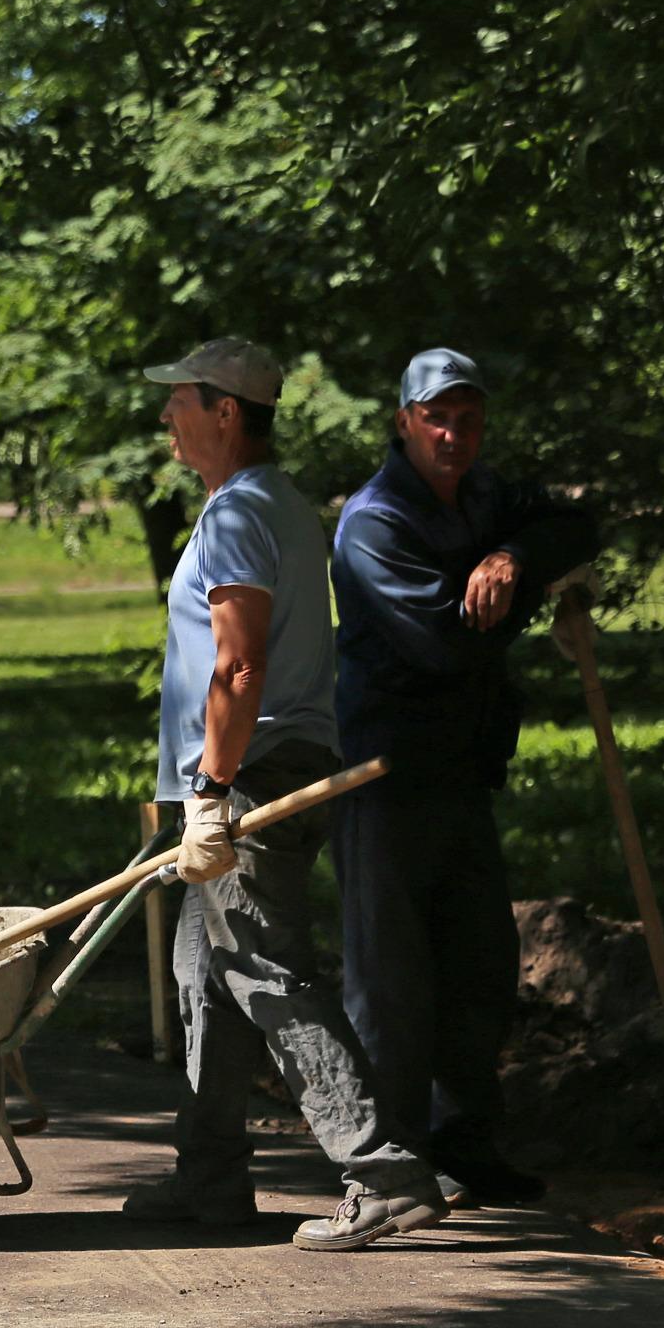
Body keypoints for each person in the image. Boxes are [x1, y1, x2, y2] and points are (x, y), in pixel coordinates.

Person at [127, 337, 449, 1249]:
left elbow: (239, 663)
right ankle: (211, 1180)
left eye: (180, 401)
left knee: (262, 969)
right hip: (271, 763)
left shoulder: (238, 515)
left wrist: (211, 792)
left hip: (248, 773)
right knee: (206, 976)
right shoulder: (279, 505)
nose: (167, 418)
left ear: (225, 411)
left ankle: (383, 1171)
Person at [329, 348, 599, 1220]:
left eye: (469, 418)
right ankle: (390, 1165)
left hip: (463, 773)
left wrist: (515, 556)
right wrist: (516, 585)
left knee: (481, 965)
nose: (454, 433)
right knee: (390, 979)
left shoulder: (486, 499)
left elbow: (579, 524)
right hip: (384, 778)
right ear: (404, 421)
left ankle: (466, 1145)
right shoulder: (373, 522)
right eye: (437, 417)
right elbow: (447, 642)